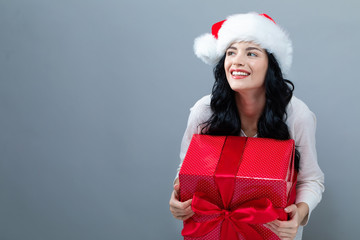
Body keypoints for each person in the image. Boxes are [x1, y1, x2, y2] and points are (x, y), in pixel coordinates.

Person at [169, 12, 324, 240]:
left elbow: (312, 179)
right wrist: (177, 197)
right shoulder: (204, 111)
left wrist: (299, 214)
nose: (237, 61)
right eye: (231, 52)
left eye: (251, 53)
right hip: (214, 231)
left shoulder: (296, 115)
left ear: (271, 65)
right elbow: (186, 170)